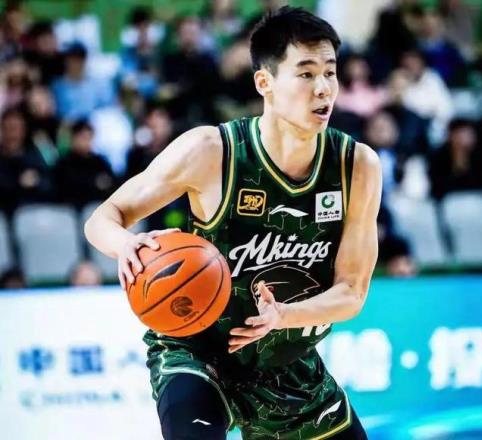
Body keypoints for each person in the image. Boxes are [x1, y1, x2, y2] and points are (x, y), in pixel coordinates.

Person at [85, 7, 381, 440]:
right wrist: (125, 245)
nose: (323, 88)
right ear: (265, 83)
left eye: (330, 73)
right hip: (197, 349)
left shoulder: (356, 166)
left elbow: (351, 292)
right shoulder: (212, 151)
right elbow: (103, 218)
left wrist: (285, 315)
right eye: (305, 74)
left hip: (286, 362)